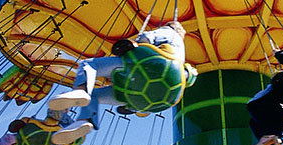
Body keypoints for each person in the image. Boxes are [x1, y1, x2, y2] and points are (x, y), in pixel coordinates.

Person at [48, 22, 188, 129]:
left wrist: (134, 44)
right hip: (150, 99)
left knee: (88, 65)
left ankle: (81, 91)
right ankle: (84, 124)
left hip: (142, 67)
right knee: (95, 96)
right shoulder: (181, 55)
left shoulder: (170, 32)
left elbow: (146, 38)